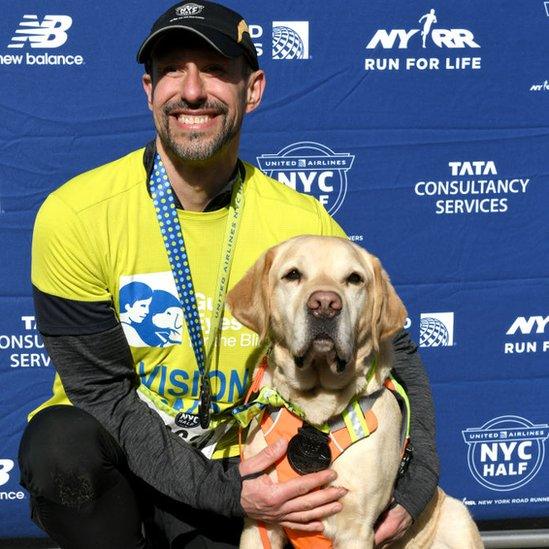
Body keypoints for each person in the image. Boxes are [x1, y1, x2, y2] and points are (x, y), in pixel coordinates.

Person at [18, 2, 439, 548]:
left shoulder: (302, 226)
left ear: (253, 89)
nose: (192, 91)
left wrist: (415, 485)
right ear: (149, 90)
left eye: (215, 70)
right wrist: (225, 492)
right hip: (125, 459)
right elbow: (100, 392)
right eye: (173, 69)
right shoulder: (76, 214)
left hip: (242, 465)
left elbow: (396, 352)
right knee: (60, 447)